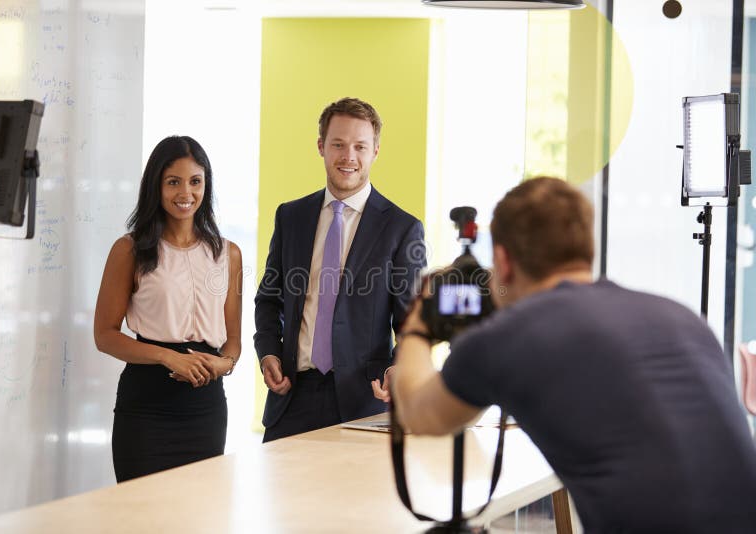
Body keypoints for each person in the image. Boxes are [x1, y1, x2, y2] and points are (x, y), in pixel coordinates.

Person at [392, 177, 756, 532]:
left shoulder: (511, 336)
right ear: (586, 248)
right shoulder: (680, 316)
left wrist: (420, 321)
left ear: (502, 260)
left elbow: (422, 418)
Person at [254, 97, 426, 442]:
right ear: (321, 147)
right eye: (338, 144)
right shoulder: (291, 217)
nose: (349, 157)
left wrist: (398, 368)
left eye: (360, 146)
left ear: (375, 151)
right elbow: (269, 299)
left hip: (364, 403)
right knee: (282, 497)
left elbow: (411, 321)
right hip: (291, 398)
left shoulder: (401, 228)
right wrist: (269, 351)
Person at [95, 135, 242, 482]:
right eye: (173, 182)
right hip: (146, 408)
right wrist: (168, 357)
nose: (185, 194)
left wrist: (224, 364)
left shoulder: (228, 254)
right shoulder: (129, 250)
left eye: (195, 182)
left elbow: (233, 340)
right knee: (142, 517)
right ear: (156, 186)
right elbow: (104, 335)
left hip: (205, 408)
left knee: (198, 517)